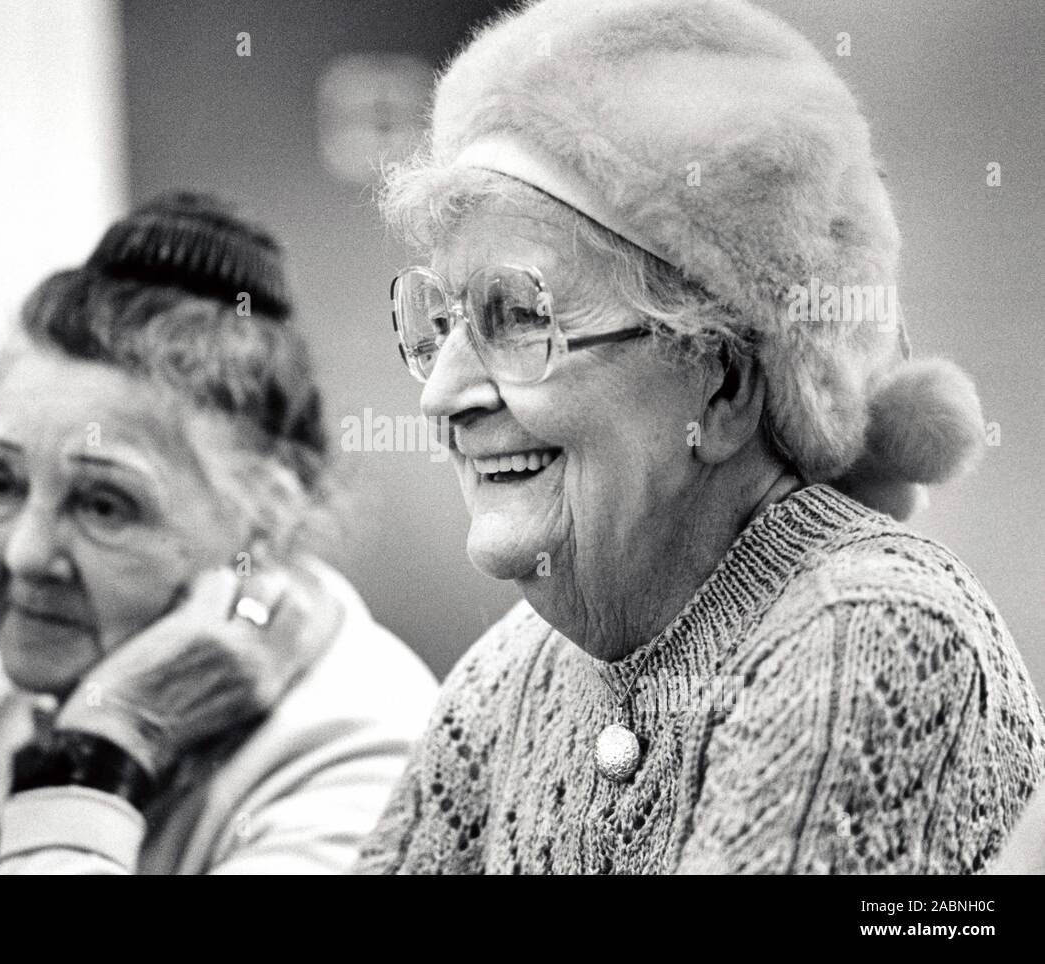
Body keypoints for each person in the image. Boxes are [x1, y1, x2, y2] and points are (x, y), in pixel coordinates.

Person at [356, 0, 1045, 874]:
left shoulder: (870, 633)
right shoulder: (509, 674)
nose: (443, 395)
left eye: (519, 318)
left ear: (721, 384)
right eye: (442, 320)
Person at [0, 192, 437, 874]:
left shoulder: (365, 762)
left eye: (103, 505)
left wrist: (104, 740)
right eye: (2, 482)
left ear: (264, 520)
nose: (26, 554)